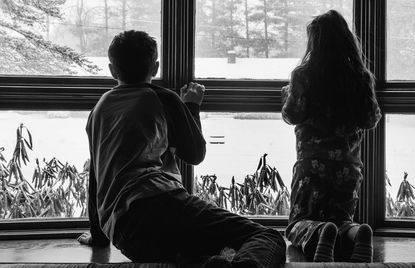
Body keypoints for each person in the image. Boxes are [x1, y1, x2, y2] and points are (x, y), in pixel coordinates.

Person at [77, 30, 286, 268]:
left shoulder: (99, 110)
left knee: (194, 255)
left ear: (112, 70)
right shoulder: (161, 97)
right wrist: (191, 106)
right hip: (159, 204)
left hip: (126, 234)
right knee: (267, 237)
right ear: (155, 68)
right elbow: (195, 154)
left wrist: (99, 236)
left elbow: (95, 178)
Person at [281, 10, 381, 263]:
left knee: (298, 223)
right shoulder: (360, 76)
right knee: (342, 220)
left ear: (314, 41)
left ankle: (318, 231)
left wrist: (288, 94)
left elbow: (292, 115)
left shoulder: (303, 74)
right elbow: (370, 119)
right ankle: (358, 232)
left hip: (311, 163)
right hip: (348, 166)